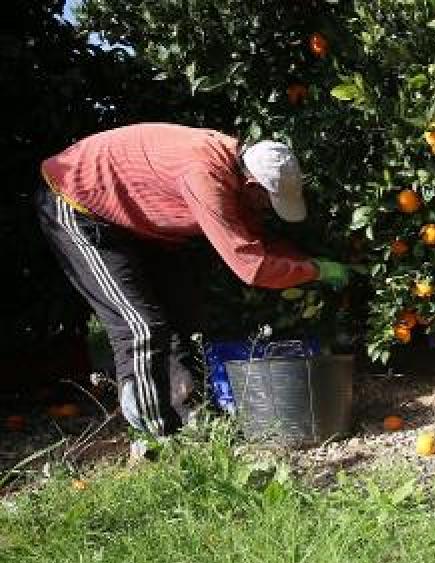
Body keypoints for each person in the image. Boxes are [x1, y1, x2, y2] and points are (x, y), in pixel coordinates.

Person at [36, 122, 349, 438]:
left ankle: (195, 421)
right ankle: (158, 437)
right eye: (269, 202)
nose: (269, 211)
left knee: (187, 315)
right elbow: (251, 266)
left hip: (134, 218)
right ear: (253, 185)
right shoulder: (205, 177)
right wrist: (316, 271)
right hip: (76, 203)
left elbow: (255, 237)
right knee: (142, 327)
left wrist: (304, 261)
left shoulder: (237, 168)